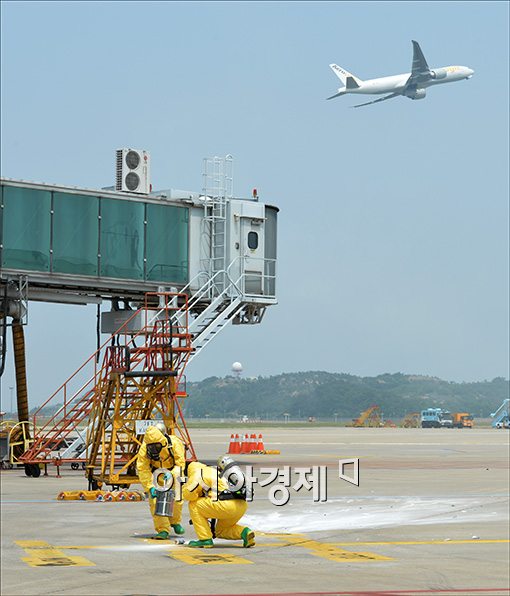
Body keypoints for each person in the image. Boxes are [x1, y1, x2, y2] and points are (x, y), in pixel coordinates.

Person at [182, 457, 255, 548]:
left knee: (194, 505)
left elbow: (188, 495)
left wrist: (184, 487)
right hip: (241, 505)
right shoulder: (213, 470)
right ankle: (245, 533)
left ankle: (205, 539)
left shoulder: (196, 474)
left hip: (226, 505)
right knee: (221, 530)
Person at [137, 423, 186, 540]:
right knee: (155, 502)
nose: (154, 450)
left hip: (174, 474)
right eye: (151, 447)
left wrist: (172, 474)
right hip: (156, 475)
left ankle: (175, 522)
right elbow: (143, 468)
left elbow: (180, 463)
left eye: (157, 447)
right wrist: (149, 487)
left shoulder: (174, 443)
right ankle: (163, 529)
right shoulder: (144, 448)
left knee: (177, 500)